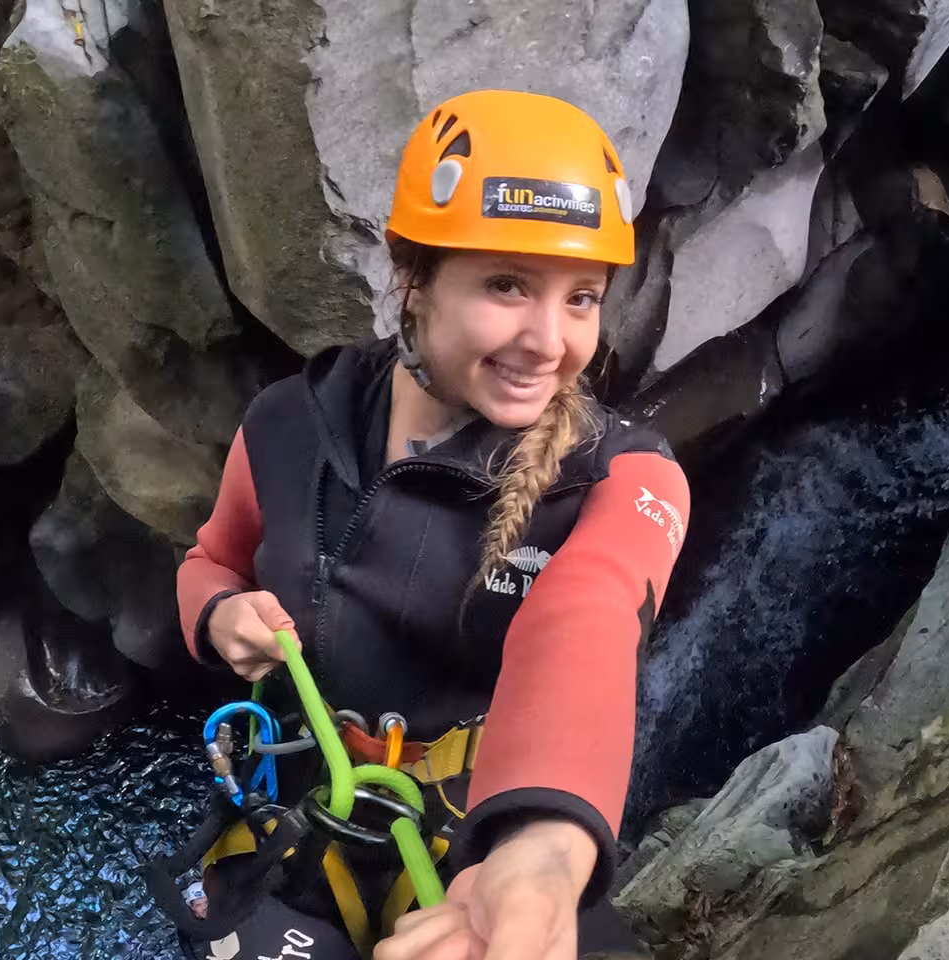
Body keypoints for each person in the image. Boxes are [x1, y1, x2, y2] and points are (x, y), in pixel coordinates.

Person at [170, 91, 691, 960]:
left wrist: (548, 852)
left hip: (479, 851)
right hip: (300, 821)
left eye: (581, 298)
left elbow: (590, 619)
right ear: (413, 276)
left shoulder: (626, 476)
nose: (548, 340)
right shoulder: (289, 425)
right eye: (507, 284)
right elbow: (211, 560)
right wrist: (219, 614)